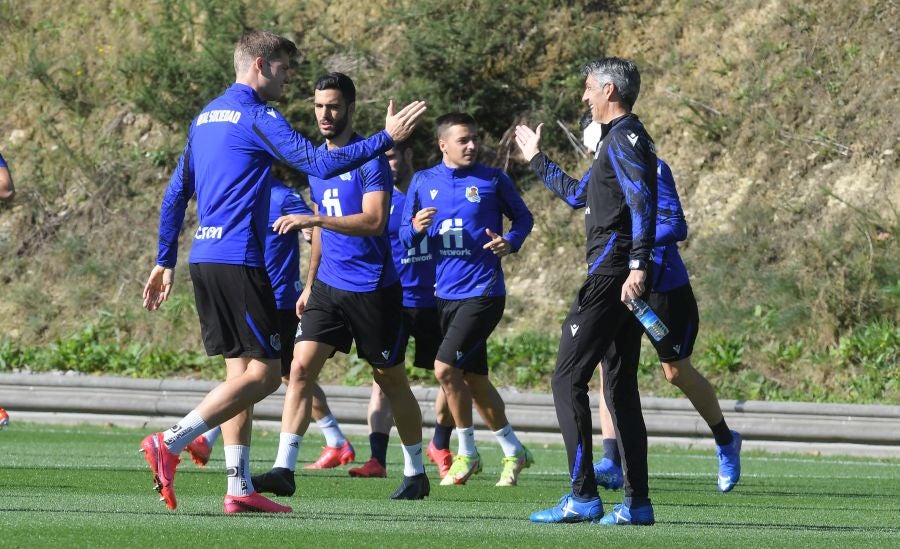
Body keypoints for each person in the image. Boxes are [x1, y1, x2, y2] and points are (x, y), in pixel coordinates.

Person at [141, 32, 425, 514]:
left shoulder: (205, 116)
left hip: (203, 257)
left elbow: (175, 194)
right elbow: (317, 161)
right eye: (284, 67)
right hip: (239, 259)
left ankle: (238, 487)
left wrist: (164, 258)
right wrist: (386, 138)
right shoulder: (258, 115)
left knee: (239, 375)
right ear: (260, 65)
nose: (288, 78)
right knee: (268, 375)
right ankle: (170, 441)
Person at [520, 114, 743, 495]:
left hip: (659, 287)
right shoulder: (603, 168)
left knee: (675, 372)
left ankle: (725, 438)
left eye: (594, 149)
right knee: (609, 367)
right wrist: (537, 159)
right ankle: (611, 459)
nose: (592, 157)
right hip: (618, 286)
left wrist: (633, 244)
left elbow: (675, 224)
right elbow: (575, 195)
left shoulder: (651, 168)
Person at [250, 72, 430, 500]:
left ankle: (416, 471)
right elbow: (321, 235)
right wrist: (309, 284)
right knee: (298, 369)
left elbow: (375, 221)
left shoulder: (370, 159)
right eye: (318, 106)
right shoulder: (317, 160)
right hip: (327, 288)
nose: (324, 114)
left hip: (372, 290)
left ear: (350, 107)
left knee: (390, 380)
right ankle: (284, 468)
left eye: (333, 106)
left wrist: (315, 219)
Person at [518, 57, 658, 525]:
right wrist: (537, 159)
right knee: (619, 389)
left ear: (609, 91)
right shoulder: (617, 141)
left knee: (567, 379)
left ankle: (583, 496)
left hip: (612, 276)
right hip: (619, 275)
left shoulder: (625, 138)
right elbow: (581, 195)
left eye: (589, 89)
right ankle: (637, 504)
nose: (584, 97)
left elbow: (642, 202)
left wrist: (637, 264)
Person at [400, 112, 535, 487]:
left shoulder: (493, 179)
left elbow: (523, 219)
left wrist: (511, 242)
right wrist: (415, 228)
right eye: (463, 140)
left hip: (484, 292)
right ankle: (513, 450)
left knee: (445, 369)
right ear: (443, 144)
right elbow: (405, 237)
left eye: (474, 138)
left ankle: (467, 453)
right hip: (445, 295)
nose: (472, 145)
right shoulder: (423, 181)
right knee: (474, 380)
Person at [184, 179, 356, 474]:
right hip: (248, 297)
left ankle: (205, 436)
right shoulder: (234, 194)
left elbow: (315, 229)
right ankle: (336, 440)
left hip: (279, 302)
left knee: (262, 374)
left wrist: (308, 233)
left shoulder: (283, 196)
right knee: (285, 375)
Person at [347, 140, 456, 480]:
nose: (387, 163)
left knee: (452, 376)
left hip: (436, 299)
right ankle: (377, 459)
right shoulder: (376, 199)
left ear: (409, 154)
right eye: (382, 158)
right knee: (382, 380)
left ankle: (440, 444)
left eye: (392, 156)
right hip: (394, 300)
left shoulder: (433, 192)